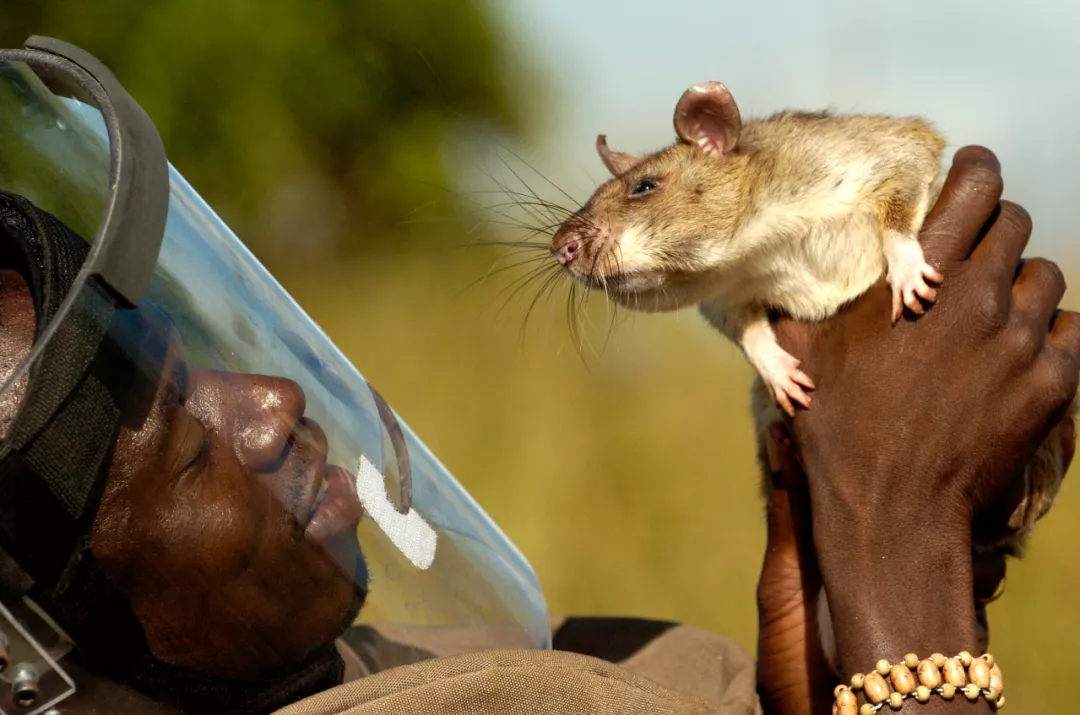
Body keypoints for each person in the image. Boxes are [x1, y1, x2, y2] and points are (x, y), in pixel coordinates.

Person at [0, 36, 1074, 715]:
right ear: (34, 665)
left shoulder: (373, 653)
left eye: (194, 368)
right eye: (186, 448)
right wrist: (899, 548)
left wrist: (813, 634)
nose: (273, 401)